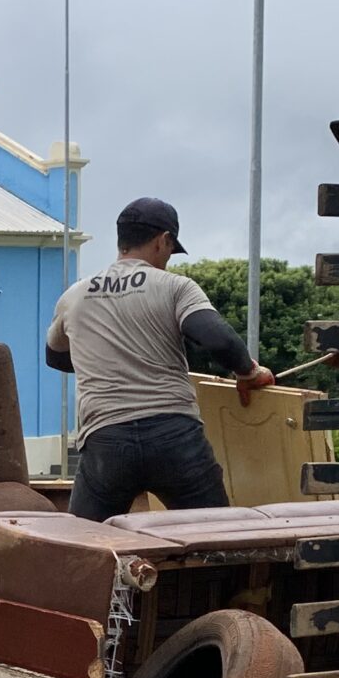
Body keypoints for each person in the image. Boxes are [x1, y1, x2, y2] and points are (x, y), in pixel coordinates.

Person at [47, 196, 278, 522]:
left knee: (83, 541)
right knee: (215, 536)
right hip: (174, 437)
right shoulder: (176, 287)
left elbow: (56, 357)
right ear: (163, 240)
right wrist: (249, 372)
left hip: (106, 441)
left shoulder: (74, 296)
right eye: (171, 248)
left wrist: (104, 358)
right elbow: (218, 339)